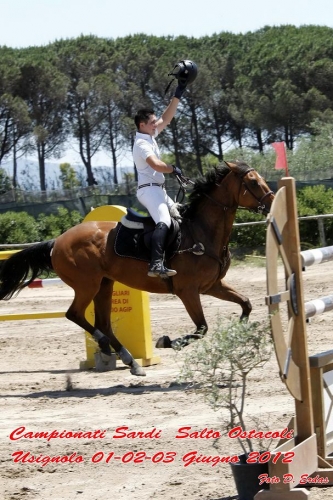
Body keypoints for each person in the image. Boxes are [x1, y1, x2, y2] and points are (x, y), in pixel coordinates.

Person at [133, 60, 197, 278]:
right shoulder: (142, 144)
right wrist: (173, 168)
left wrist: (179, 91)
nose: (155, 124)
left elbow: (167, 118)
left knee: (179, 216)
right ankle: (155, 264)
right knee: (164, 220)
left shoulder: (149, 136)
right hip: (148, 190)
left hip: (158, 189)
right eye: (152, 123)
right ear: (142, 125)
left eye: (154, 122)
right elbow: (155, 165)